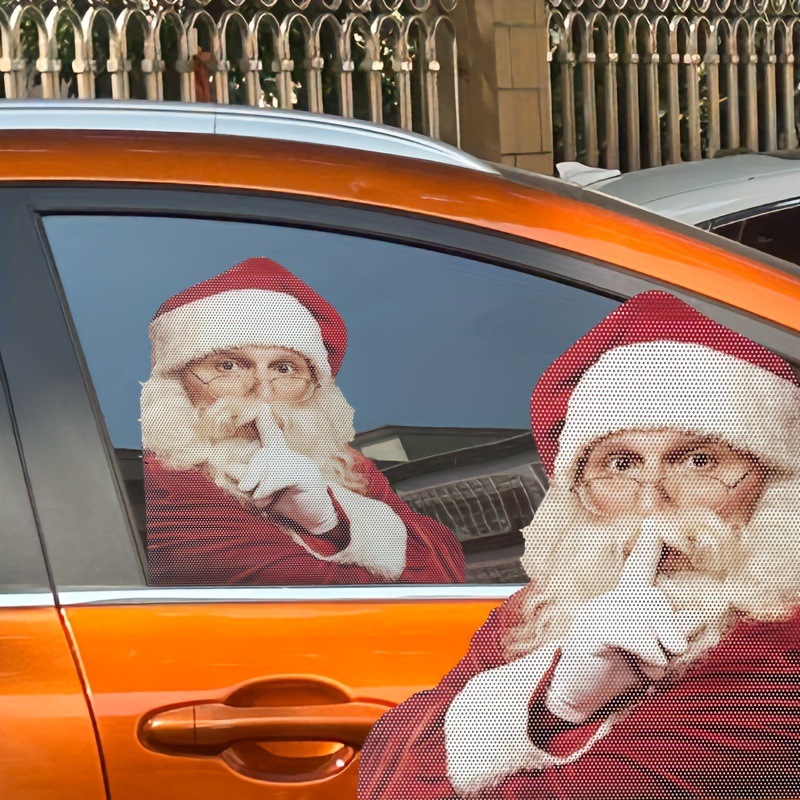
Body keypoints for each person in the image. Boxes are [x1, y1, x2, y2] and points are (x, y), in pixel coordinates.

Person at [358, 291, 800, 799]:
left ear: (773, 480)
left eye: (698, 461)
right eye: (620, 464)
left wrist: (527, 707)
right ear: (580, 494)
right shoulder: (538, 612)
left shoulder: (782, 655)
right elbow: (383, 769)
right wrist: (553, 698)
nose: (651, 502)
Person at [141, 257, 465, 586]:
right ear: (176, 380)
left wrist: (333, 516)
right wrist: (355, 529)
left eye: (284, 369)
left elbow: (447, 571)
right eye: (228, 366)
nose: (263, 393)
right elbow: (304, 592)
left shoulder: (344, 465)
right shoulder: (161, 481)